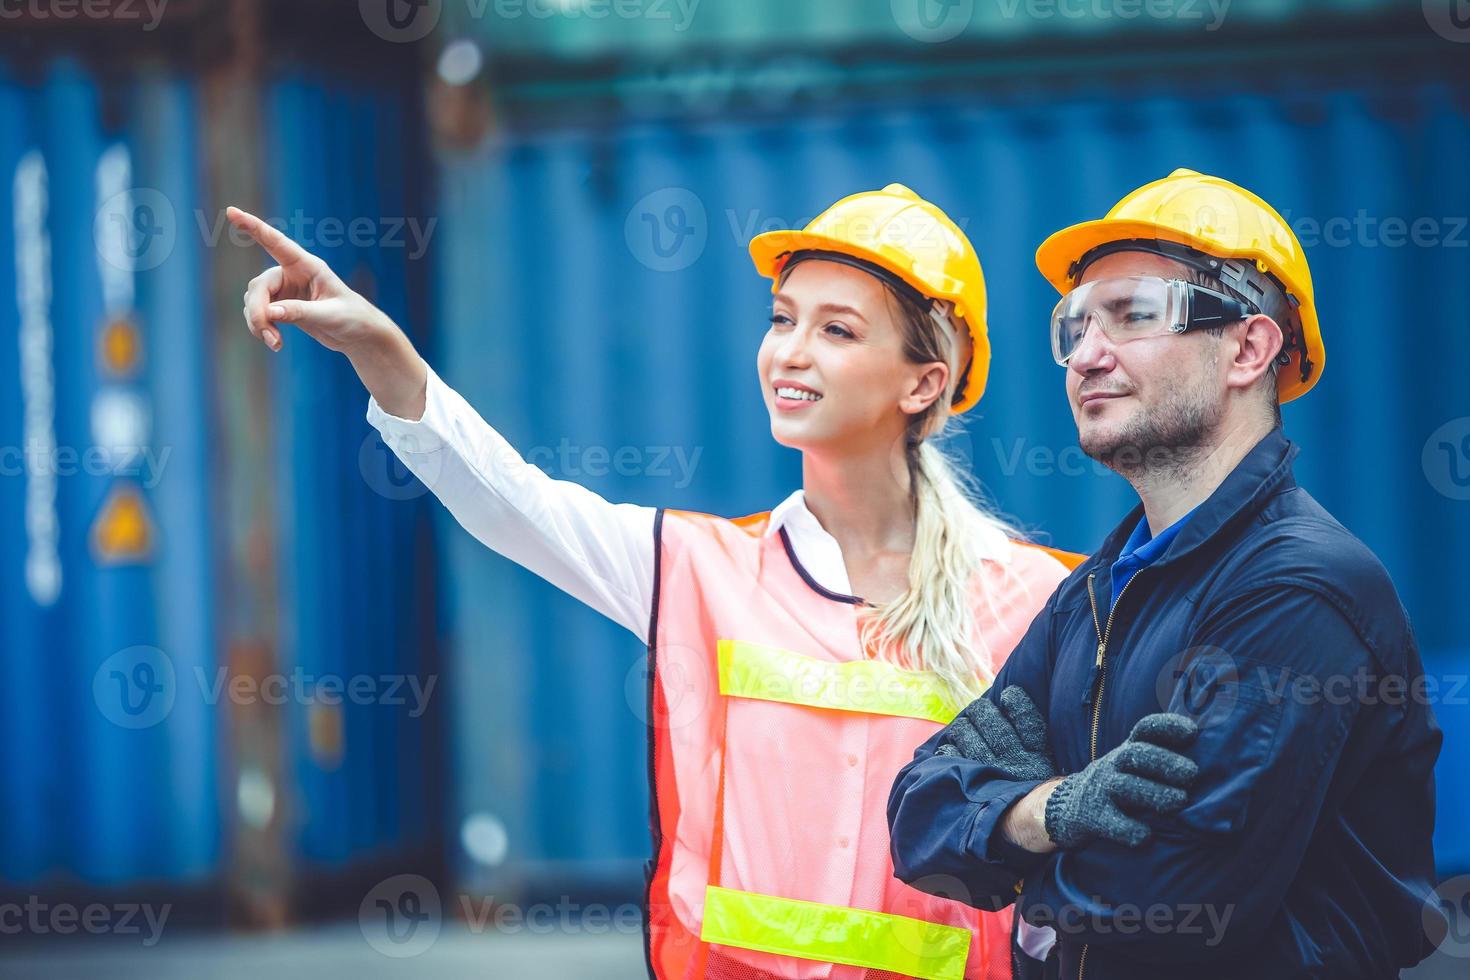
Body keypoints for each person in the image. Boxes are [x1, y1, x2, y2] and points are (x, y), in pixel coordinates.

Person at [229, 183, 1079, 979]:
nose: (789, 351)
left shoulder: (1033, 598)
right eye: (783, 319)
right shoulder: (698, 569)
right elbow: (511, 502)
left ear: (924, 381)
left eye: (838, 331)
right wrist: (381, 348)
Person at [887, 169, 1443, 978]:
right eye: (1074, 327)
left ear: (1248, 348)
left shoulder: (1298, 589)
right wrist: (1053, 808)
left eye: (1132, 316)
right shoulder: (1094, 595)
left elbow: (1167, 910)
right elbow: (917, 820)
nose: (1084, 357)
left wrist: (1012, 849)